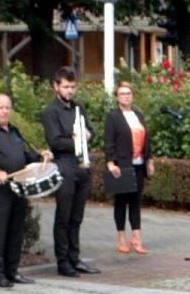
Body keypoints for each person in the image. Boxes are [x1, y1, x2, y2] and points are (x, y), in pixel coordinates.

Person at [0, 92, 51, 289]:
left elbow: (21, 155)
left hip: (19, 186)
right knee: (0, 231)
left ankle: (12, 271)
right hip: (1, 189)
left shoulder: (14, 130)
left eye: (7, 107)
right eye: (1, 107)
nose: (5, 111)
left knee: (16, 230)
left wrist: (39, 156)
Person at [41, 67, 100, 277]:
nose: (70, 91)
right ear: (56, 87)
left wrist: (87, 135)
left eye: (73, 87)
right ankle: (63, 262)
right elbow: (55, 142)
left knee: (77, 217)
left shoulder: (79, 109)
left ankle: (75, 259)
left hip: (81, 166)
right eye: (66, 87)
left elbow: (92, 131)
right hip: (64, 165)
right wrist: (76, 139)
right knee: (64, 216)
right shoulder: (50, 111)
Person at [103, 81, 153, 256]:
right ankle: (121, 238)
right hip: (122, 166)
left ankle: (137, 238)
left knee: (136, 202)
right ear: (117, 97)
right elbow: (108, 142)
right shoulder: (113, 117)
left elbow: (148, 139)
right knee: (121, 202)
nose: (126, 96)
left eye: (128, 93)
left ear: (133, 95)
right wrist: (111, 163)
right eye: (122, 93)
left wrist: (149, 161)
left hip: (139, 165)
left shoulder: (138, 115)